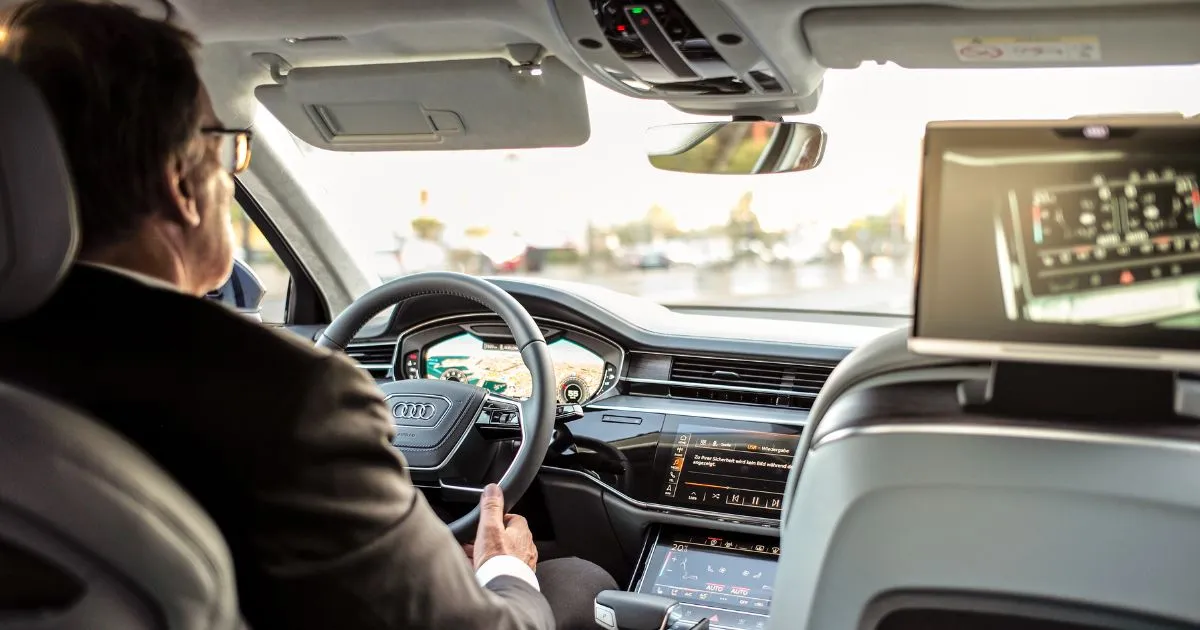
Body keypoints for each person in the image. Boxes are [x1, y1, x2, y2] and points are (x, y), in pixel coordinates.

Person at [0, 1, 615, 629]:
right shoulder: (293, 398)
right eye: (230, 148)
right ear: (181, 184)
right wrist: (502, 570)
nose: (229, 174)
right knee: (575, 580)